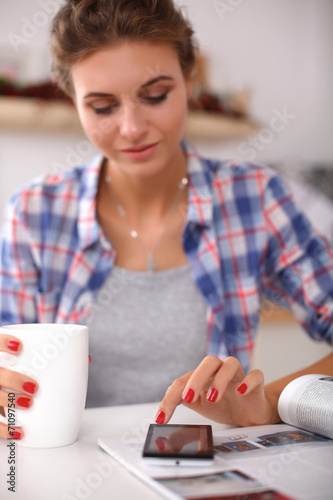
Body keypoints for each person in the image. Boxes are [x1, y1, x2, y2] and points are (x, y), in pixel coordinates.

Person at [0, 0, 332, 441]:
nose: (132, 127)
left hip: (215, 461)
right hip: (68, 463)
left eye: (155, 96)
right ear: (73, 102)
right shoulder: (34, 213)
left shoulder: (255, 198)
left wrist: (270, 402)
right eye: (102, 107)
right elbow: (9, 372)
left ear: (189, 82)